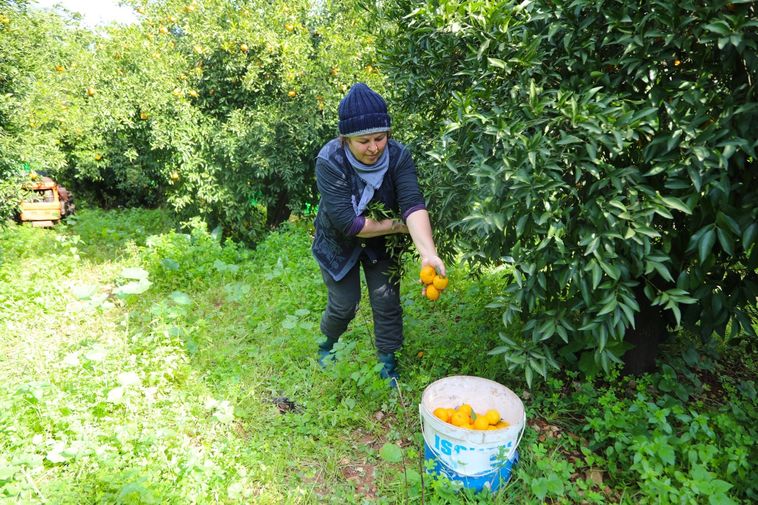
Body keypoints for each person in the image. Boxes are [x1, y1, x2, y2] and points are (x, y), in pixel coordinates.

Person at [311, 82, 446, 387]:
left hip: (382, 245)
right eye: (364, 141)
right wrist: (399, 226)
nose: (374, 148)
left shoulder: (398, 156)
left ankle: (387, 362)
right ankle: (327, 344)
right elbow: (349, 223)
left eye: (380, 138)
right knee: (344, 304)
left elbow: (412, 202)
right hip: (338, 243)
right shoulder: (329, 161)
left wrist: (428, 253)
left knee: (386, 302)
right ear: (345, 139)